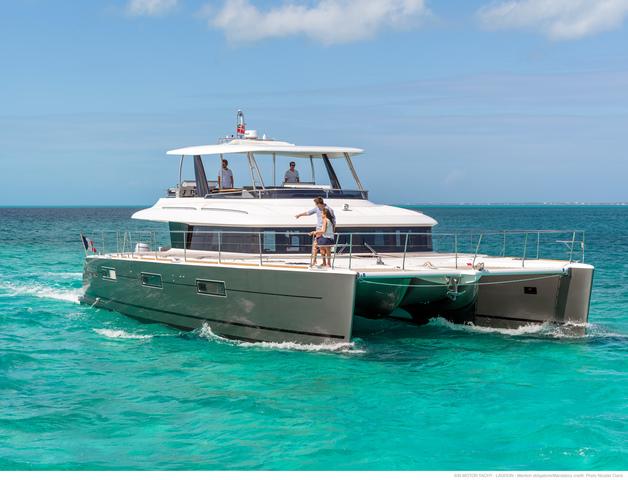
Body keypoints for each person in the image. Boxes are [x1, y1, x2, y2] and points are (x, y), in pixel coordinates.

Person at [296, 197, 335, 266]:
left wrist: (332, 232)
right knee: (318, 247)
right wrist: (299, 215)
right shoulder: (317, 209)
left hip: (326, 231)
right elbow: (308, 213)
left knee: (327, 248)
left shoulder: (329, 209)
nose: (315, 205)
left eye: (316, 204)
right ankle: (322, 262)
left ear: (319, 203)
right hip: (319, 229)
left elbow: (333, 221)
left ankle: (327, 263)